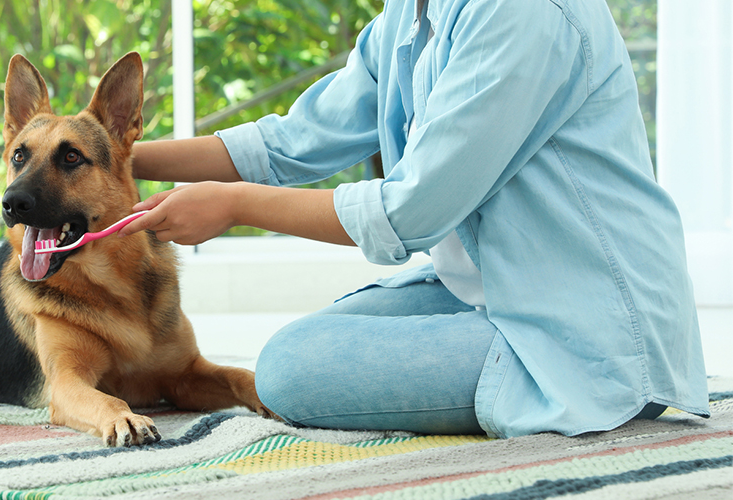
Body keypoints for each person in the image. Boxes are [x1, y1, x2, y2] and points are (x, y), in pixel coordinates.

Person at [117, 0, 709, 438]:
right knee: (305, 346)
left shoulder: (525, 14)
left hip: (586, 322)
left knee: (289, 369)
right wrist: (102, 152)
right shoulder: (409, 16)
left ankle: (598, 390)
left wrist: (235, 204)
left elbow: (412, 210)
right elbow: (293, 141)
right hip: (483, 288)